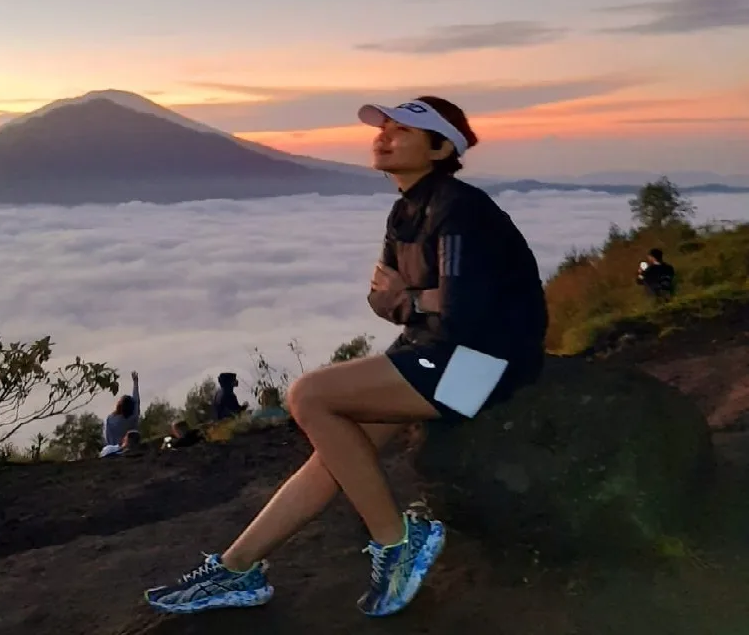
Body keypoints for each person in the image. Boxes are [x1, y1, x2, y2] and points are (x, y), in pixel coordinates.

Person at [143, 95, 548, 618]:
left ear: (441, 147)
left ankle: (395, 542)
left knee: (308, 394)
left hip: (482, 368)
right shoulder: (406, 212)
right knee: (334, 455)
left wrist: (410, 299)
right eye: (384, 127)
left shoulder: (459, 208)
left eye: (403, 130)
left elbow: (461, 309)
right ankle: (238, 567)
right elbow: (385, 299)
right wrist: (412, 300)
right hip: (435, 351)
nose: (384, 135)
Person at [104, 370, 140, 448]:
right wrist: (135, 383)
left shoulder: (111, 419)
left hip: (115, 449)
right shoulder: (133, 417)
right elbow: (136, 400)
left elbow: (108, 438)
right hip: (131, 447)